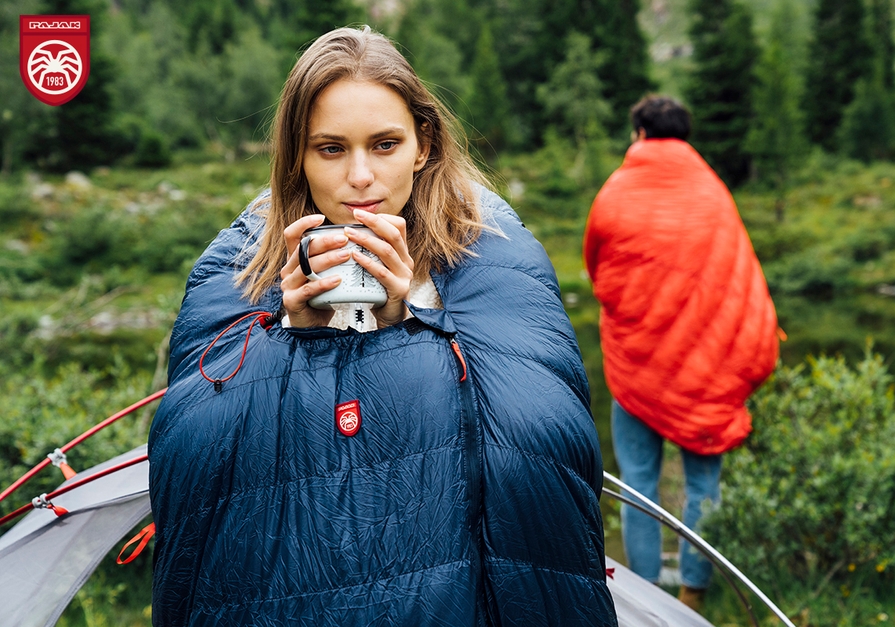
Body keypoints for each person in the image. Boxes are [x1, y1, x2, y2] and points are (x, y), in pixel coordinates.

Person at [148, 26, 616, 626]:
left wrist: (403, 325)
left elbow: (544, 437)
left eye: (385, 144)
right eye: (331, 149)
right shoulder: (240, 268)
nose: (361, 176)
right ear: (297, 156)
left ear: (424, 144)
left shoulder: (495, 252)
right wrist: (293, 337)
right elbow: (190, 451)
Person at [583, 95, 779, 611]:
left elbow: (598, 270)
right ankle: (693, 597)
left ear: (640, 133)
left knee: (639, 486)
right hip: (706, 368)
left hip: (636, 366)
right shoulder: (713, 192)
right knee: (703, 485)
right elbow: (737, 276)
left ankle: (646, 600)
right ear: (685, 136)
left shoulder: (616, 191)